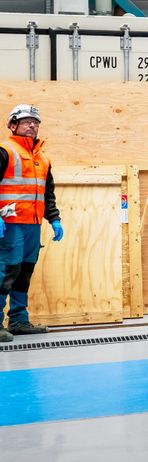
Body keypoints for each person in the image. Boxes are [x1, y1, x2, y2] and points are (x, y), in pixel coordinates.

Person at [0, 105, 63, 342]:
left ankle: (18, 320)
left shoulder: (43, 159)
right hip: (10, 224)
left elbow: (47, 194)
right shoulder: (5, 150)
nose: (32, 125)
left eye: (35, 122)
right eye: (26, 121)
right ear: (12, 125)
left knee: (24, 273)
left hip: (32, 226)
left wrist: (54, 219)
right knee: (6, 272)